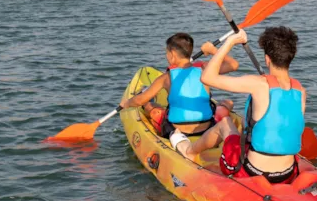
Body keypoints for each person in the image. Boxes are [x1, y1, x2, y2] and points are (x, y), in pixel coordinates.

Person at [186, 27, 306, 184]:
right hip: (287, 173)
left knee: (225, 123)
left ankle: (189, 152)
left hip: (254, 171)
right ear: (292, 56)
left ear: (267, 59)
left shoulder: (258, 83)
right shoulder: (301, 91)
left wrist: (230, 42)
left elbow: (207, 77)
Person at [120, 33, 238, 158]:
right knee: (226, 103)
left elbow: (140, 100)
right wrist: (213, 50)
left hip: (178, 131)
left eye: (166, 53)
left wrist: (126, 103)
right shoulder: (205, 69)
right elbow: (233, 65)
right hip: (206, 128)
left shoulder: (166, 78)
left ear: (172, 54)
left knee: (148, 105)